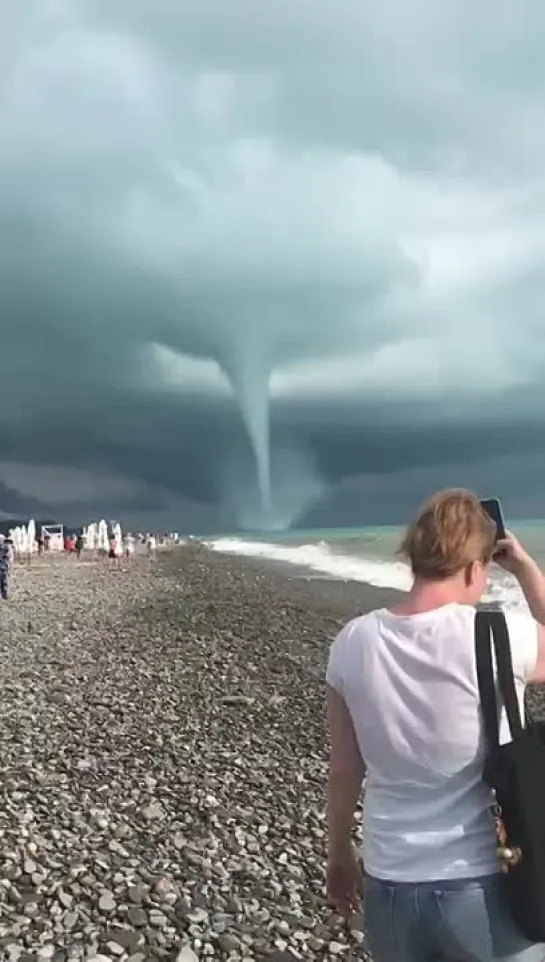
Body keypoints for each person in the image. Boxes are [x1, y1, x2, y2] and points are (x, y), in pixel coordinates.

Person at [326, 489, 545, 962]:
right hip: (486, 887)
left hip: (390, 888)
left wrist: (340, 854)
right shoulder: (502, 633)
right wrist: (526, 568)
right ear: (475, 567)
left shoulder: (353, 641)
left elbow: (344, 770)